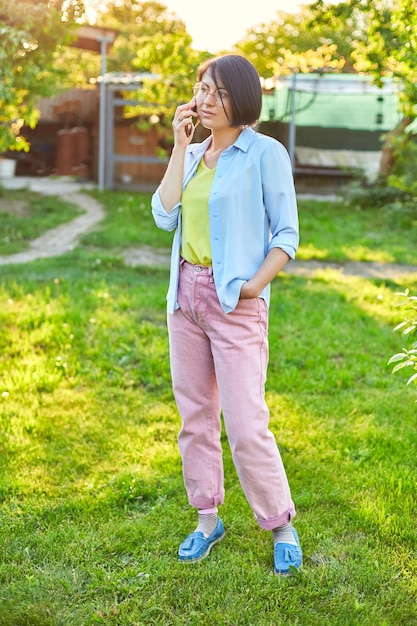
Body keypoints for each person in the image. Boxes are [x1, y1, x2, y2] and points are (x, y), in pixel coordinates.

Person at [151, 54, 302, 575]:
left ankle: (280, 522)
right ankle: (207, 517)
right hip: (185, 299)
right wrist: (178, 145)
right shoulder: (192, 156)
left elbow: (286, 235)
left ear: (241, 98)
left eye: (218, 91)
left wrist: (252, 288)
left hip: (235, 300)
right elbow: (164, 214)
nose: (206, 98)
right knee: (195, 418)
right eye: (202, 88)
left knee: (244, 423)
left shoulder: (265, 153)